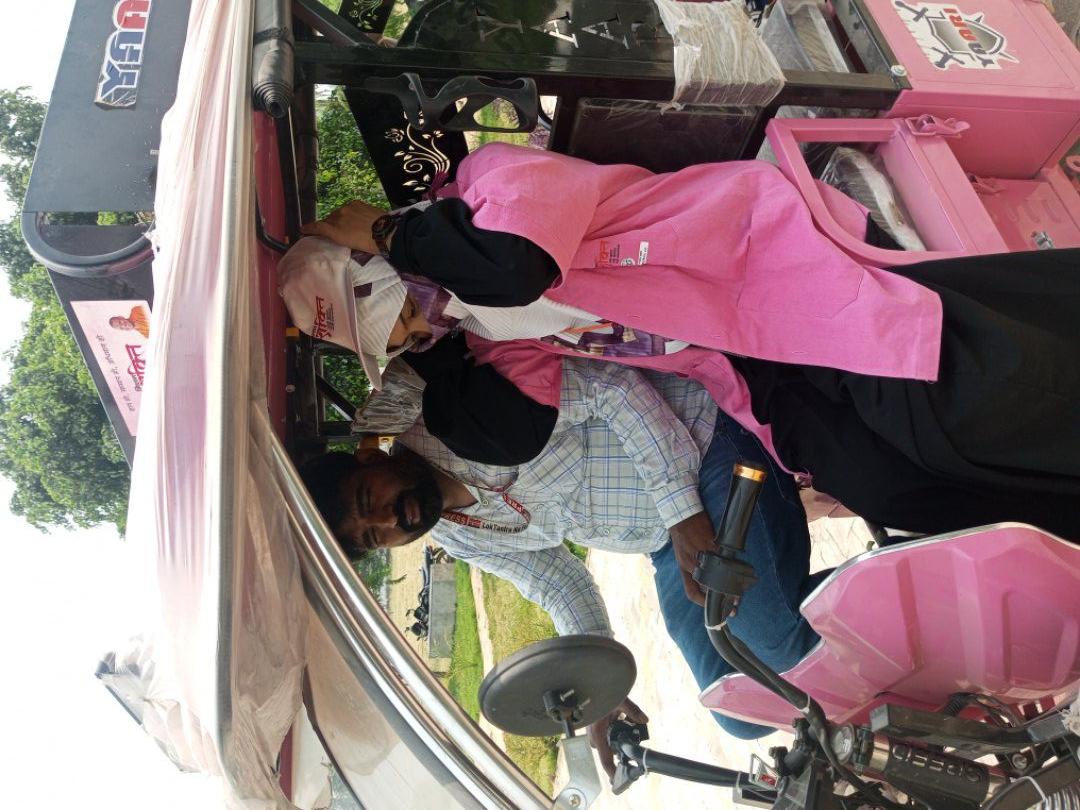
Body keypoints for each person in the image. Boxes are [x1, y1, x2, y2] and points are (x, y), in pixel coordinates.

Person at [298, 142, 1080, 539]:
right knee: (890, 491)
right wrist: (435, 368)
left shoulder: (489, 184)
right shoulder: (481, 330)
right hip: (748, 363)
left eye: (401, 316)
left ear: (387, 259)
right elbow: (518, 432)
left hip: (762, 267)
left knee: (940, 401)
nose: (419, 331)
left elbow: (517, 265)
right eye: (403, 339)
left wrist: (393, 232)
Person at [300, 356, 824, 771]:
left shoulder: (455, 414)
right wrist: (597, 689)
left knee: (779, 652)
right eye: (375, 536)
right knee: (739, 708)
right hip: (668, 544)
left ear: (371, 458)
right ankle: (841, 638)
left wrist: (683, 514)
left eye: (370, 499)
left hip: (710, 448)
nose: (391, 519)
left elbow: (613, 388)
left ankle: (870, 635)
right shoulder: (458, 536)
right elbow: (557, 582)